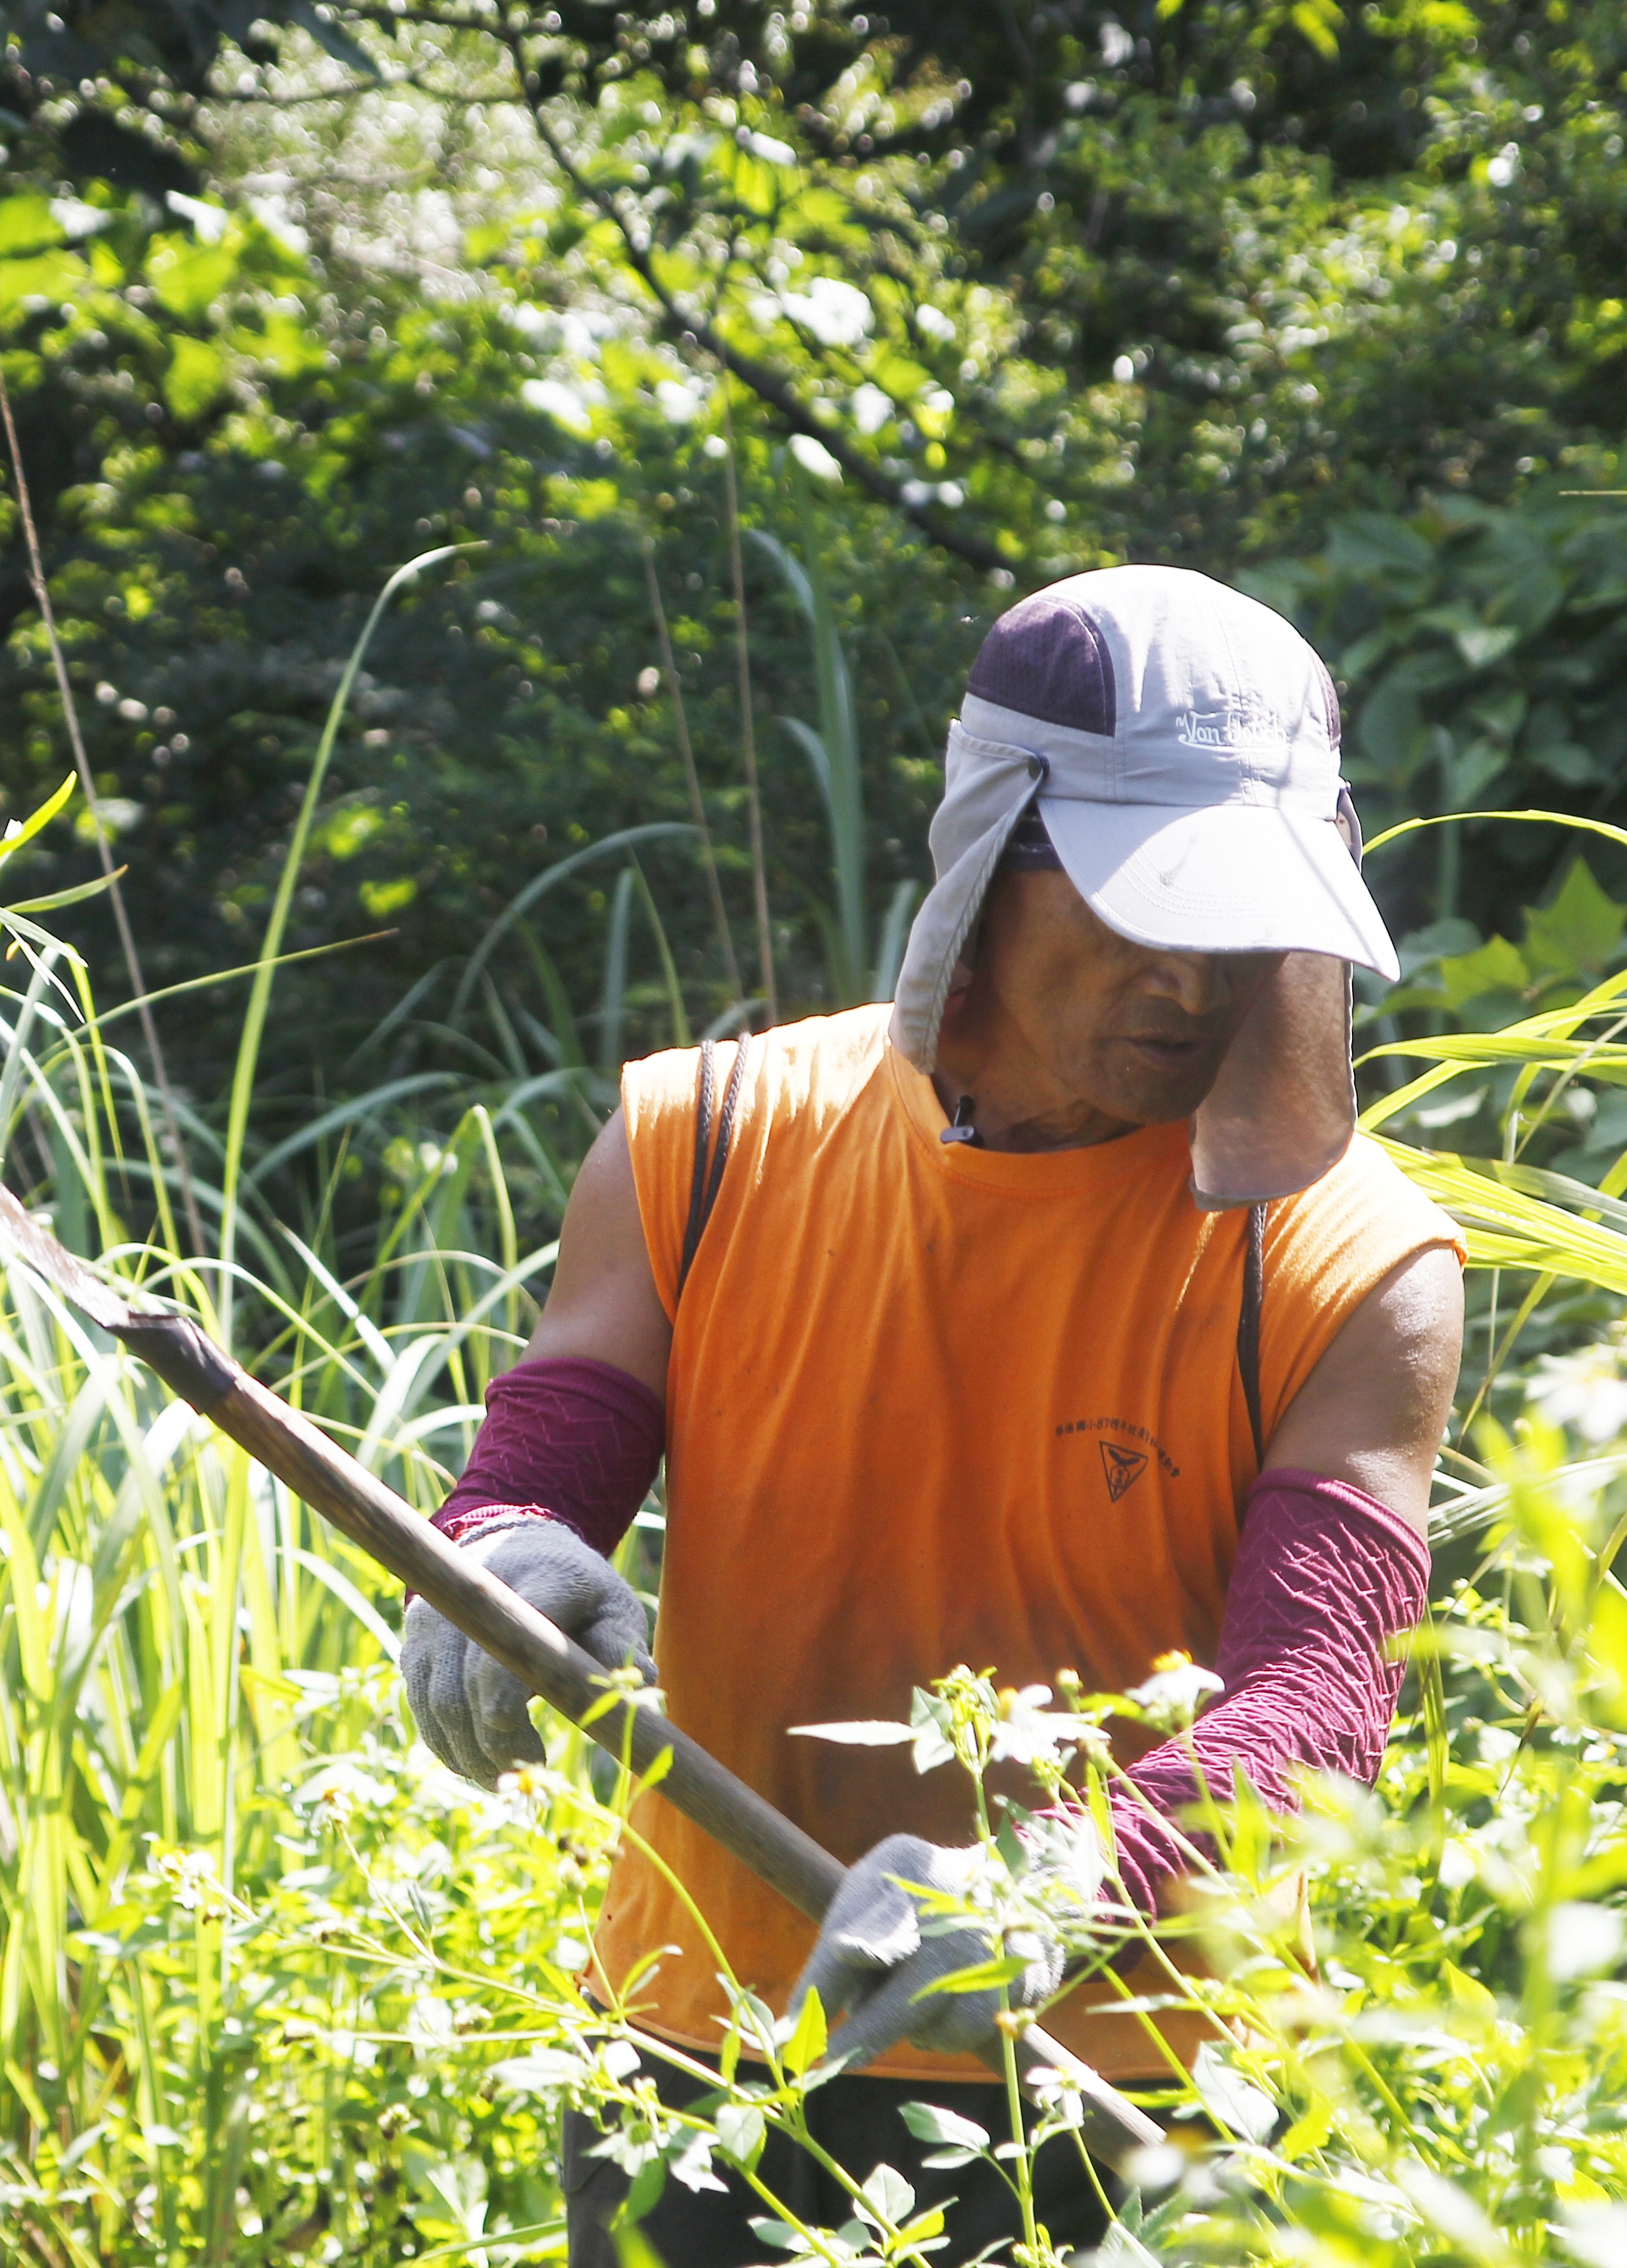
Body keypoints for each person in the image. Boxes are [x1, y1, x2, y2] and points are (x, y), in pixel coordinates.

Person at [403, 566, 1465, 2265]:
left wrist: (1052, 1890)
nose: (1192, 982)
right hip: (707, 2052)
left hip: (1135, 2101)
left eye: (1239, 920)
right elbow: (557, 1436)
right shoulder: (707, 1141)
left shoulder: (1351, 1262)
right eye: (1141, 904)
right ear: (988, 855)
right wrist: (504, 1553)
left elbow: (1319, 1697)